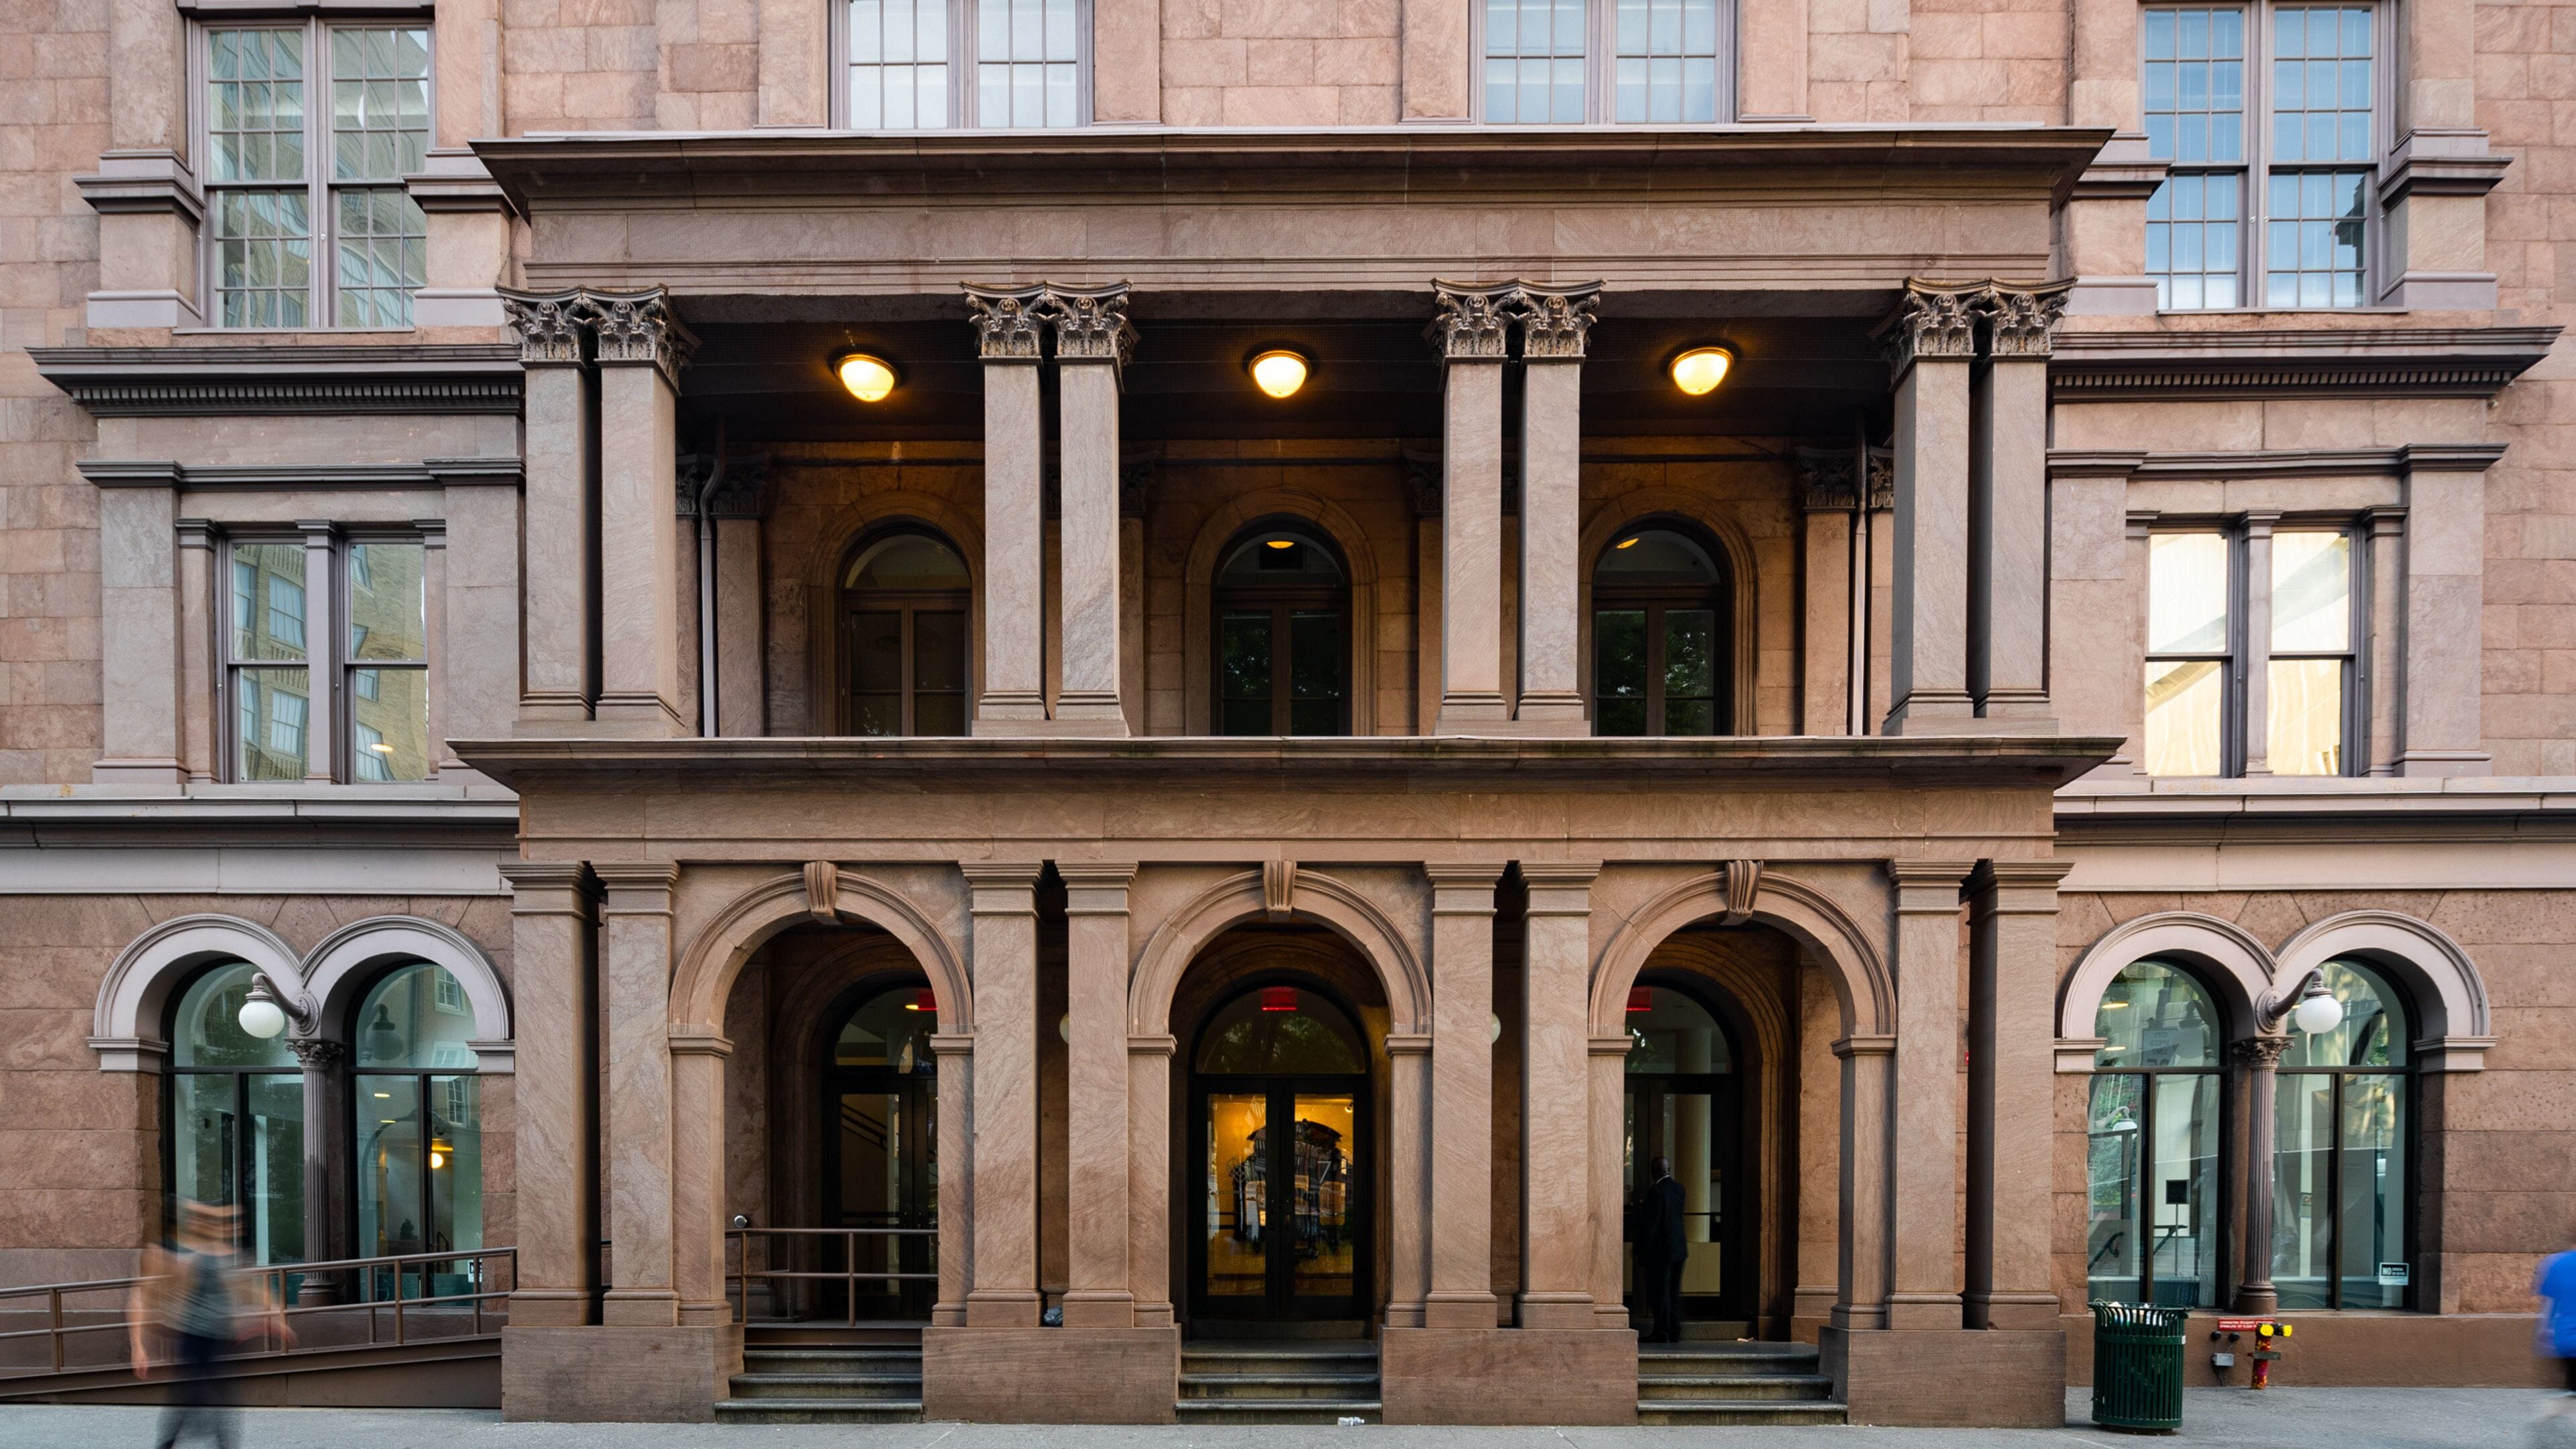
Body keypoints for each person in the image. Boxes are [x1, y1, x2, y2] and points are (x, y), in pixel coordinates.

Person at [128, 1202, 284, 1449]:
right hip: (194, 1338)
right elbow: (143, 1296)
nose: (234, 1226)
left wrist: (271, 1316)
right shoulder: (180, 1255)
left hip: (220, 1339)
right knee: (197, 1397)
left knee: (208, 1398)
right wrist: (139, 1346)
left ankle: (195, 1440)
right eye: (227, 1221)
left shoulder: (227, 1255)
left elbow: (250, 1288)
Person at [1630, 1155, 1687, 1345]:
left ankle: (1662, 1332)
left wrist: (1641, 1250)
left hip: (1661, 1251)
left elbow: (1652, 1224)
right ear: (1668, 1170)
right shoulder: (1679, 1190)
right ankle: (1674, 1330)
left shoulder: (1655, 1192)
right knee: (1673, 1292)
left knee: (1659, 1293)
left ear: (1653, 1173)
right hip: (1679, 1249)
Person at [2540, 1240, 2576, 1437]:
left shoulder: (2556, 1263)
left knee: (2572, 1386)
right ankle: (2556, 1407)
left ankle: (2555, 1408)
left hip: (2565, 1339)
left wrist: (2545, 1333)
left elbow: (2549, 1304)